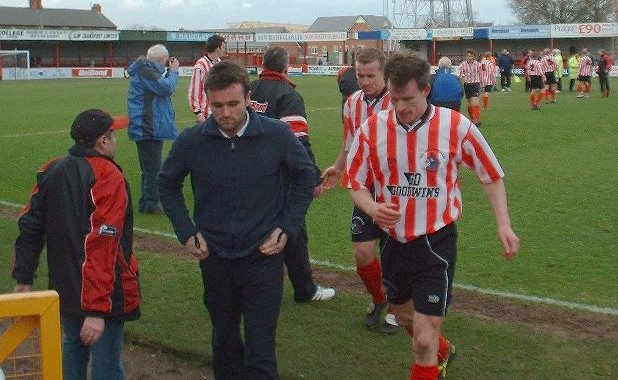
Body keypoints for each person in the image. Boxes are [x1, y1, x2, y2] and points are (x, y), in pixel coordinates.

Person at [346, 52, 520, 380]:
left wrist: (503, 224)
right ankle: (442, 350)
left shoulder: (455, 126)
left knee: (423, 339)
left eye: (408, 99)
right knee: (403, 315)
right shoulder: (373, 129)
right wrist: (371, 208)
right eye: (394, 99)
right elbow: (354, 182)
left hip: (436, 241)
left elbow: (491, 175)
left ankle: (432, 355)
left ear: (426, 90)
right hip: (394, 241)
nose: (400, 108)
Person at [157, 60, 315, 379]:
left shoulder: (276, 135)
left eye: (233, 104)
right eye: (217, 105)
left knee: (260, 349)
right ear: (208, 101)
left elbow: (305, 177)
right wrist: (186, 231)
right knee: (225, 344)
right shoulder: (192, 141)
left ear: (248, 98)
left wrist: (287, 226)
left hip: (263, 259)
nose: (225, 113)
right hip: (215, 258)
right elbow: (166, 183)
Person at [12, 109, 141, 380]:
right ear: (102, 142)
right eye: (112, 135)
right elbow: (102, 243)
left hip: (66, 287)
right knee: (106, 365)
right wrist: (96, 309)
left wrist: (23, 276)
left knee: (73, 348)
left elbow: (30, 224)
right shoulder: (108, 176)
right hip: (103, 293)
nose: (115, 140)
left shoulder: (52, 168)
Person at [321, 47, 399, 335]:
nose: (364, 81)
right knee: (363, 252)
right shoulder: (352, 102)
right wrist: (338, 166)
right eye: (360, 75)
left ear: (384, 73)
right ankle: (380, 299)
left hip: (396, 189)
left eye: (371, 75)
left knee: (395, 255)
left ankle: (396, 309)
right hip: (365, 189)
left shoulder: (398, 100)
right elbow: (349, 140)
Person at [249, 46, 335, 302]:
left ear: (263, 64)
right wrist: (314, 178)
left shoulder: (250, 88)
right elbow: (299, 143)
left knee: (254, 227)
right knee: (293, 230)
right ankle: (304, 289)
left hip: (249, 173)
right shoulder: (288, 95)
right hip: (281, 176)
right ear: (286, 66)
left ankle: (251, 283)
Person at [127, 44, 179, 215]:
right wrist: (174, 72)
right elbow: (166, 88)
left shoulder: (145, 70)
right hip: (148, 126)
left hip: (147, 126)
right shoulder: (146, 71)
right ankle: (151, 204)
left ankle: (146, 202)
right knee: (154, 169)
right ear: (162, 60)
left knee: (149, 169)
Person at [188, 34, 225, 123]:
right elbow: (195, 90)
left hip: (219, 112)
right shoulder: (201, 65)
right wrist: (198, 113)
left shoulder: (220, 63)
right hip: (206, 115)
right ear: (218, 48)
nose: (224, 49)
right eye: (223, 47)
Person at [458, 48, 482, 126]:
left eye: (471, 56)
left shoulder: (478, 65)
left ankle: (476, 120)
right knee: (470, 104)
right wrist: (459, 83)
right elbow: (460, 76)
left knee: (475, 103)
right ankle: (472, 119)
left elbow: (481, 74)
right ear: (466, 57)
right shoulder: (462, 65)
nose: (470, 58)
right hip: (467, 85)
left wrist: (482, 84)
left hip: (475, 84)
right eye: (468, 56)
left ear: (474, 57)